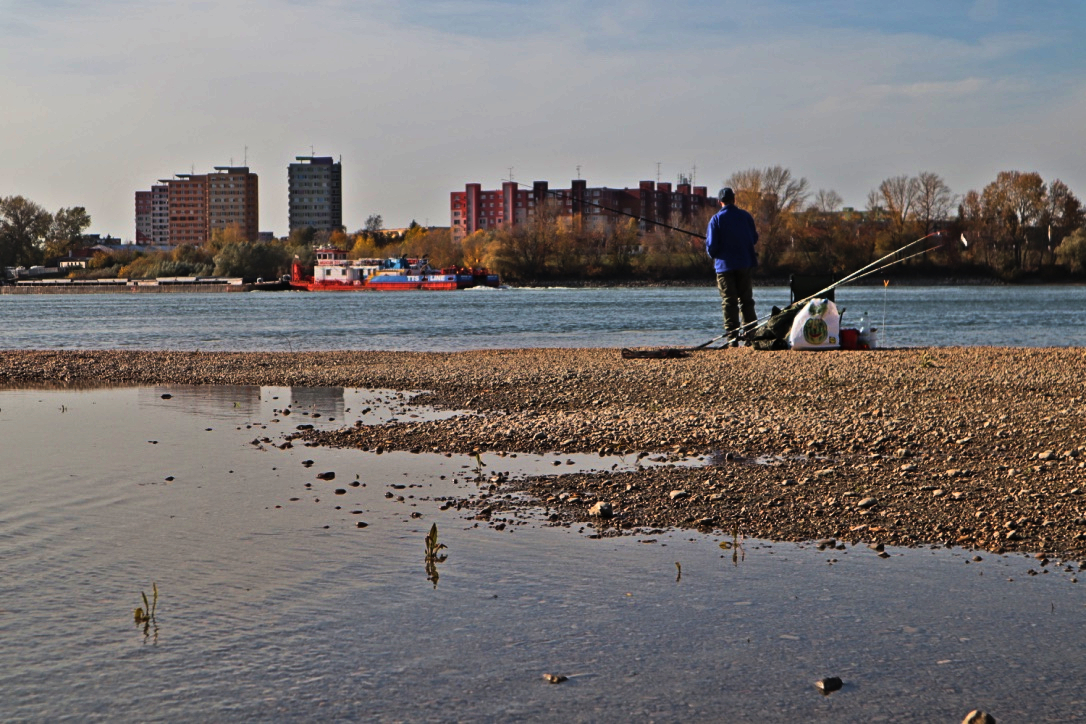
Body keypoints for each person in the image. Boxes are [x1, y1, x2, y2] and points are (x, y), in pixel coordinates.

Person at [705, 187, 758, 347]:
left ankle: (732, 338)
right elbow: (754, 238)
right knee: (746, 300)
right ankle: (751, 336)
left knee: (729, 302)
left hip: (725, 266)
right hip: (745, 263)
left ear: (720, 201)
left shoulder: (716, 220)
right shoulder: (746, 217)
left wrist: (710, 248)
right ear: (734, 199)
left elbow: (712, 248)